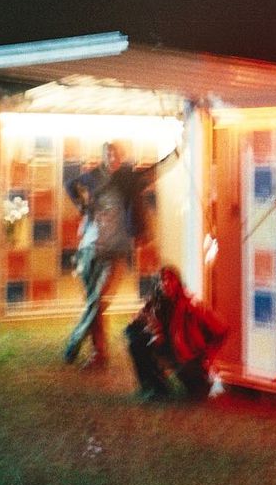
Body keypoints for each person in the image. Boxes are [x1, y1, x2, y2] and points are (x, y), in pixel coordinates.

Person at [63, 140, 179, 368]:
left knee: (98, 299)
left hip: (117, 250)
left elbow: (154, 172)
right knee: (93, 302)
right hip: (90, 248)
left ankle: (77, 338)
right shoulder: (94, 176)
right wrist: (81, 205)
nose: (113, 158)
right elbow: (70, 185)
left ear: (122, 156)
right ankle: (99, 354)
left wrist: (176, 154)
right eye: (109, 154)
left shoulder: (128, 179)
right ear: (104, 156)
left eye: (117, 154)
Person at [125, 265, 228, 400]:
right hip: (169, 351)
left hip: (187, 357)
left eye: (170, 279)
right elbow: (131, 327)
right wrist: (151, 330)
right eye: (162, 280)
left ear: (178, 283)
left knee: (196, 392)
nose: (165, 283)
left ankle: (199, 379)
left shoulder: (192, 306)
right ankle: (156, 386)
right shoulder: (155, 304)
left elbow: (221, 329)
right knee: (136, 343)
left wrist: (208, 355)